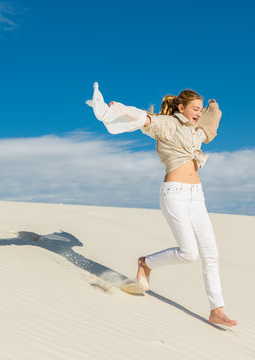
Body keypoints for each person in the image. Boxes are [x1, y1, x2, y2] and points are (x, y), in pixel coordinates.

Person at [86, 83, 237, 326]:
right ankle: (145, 263)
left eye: (200, 109)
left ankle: (216, 308)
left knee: (211, 254)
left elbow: (210, 125)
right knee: (189, 253)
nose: (198, 113)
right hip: (174, 194)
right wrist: (119, 109)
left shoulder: (197, 131)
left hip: (197, 196)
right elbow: (144, 119)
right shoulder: (168, 125)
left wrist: (212, 107)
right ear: (180, 107)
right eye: (194, 108)